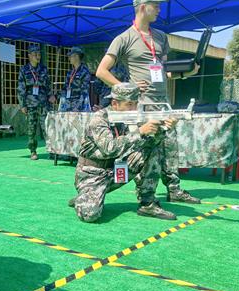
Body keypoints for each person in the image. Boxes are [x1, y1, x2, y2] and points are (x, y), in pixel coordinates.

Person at [96, 0, 201, 204]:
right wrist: (128, 88)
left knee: (170, 148)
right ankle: (146, 197)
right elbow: (101, 71)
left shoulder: (161, 37)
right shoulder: (124, 38)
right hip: (143, 105)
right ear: (143, 7)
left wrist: (186, 73)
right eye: (156, 5)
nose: (160, 9)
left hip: (163, 104)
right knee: (147, 151)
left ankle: (174, 190)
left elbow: (165, 71)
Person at [69, 82, 177, 223]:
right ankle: (84, 197)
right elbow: (109, 148)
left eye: (136, 104)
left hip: (115, 170)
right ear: (115, 103)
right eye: (129, 104)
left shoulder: (131, 118)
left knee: (151, 149)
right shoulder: (99, 119)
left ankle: (147, 203)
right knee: (89, 215)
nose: (134, 109)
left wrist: (163, 129)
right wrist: (140, 131)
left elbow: (149, 143)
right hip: (92, 174)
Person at [17, 44, 56, 160]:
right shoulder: (24, 70)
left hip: (43, 103)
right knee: (31, 128)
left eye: (39, 54)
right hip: (30, 104)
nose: (38, 56)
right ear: (29, 55)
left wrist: (51, 96)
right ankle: (33, 151)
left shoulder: (44, 69)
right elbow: (21, 88)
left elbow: (48, 85)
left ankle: (51, 150)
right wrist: (22, 105)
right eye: (35, 54)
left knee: (47, 127)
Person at [60, 47, 91, 112]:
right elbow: (65, 87)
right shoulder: (70, 72)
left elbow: (84, 91)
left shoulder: (84, 71)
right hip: (68, 103)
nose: (69, 58)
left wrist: (78, 106)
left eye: (70, 56)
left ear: (76, 56)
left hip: (79, 105)